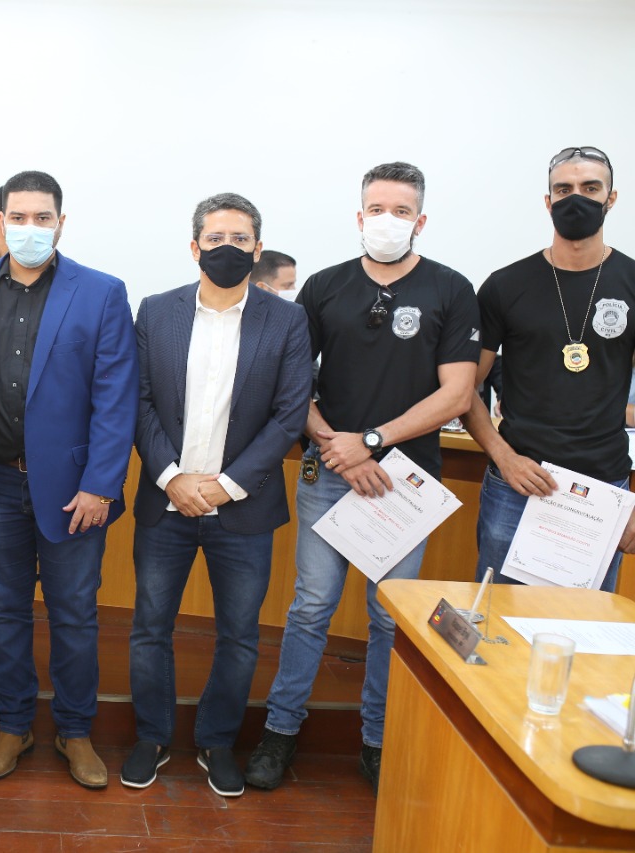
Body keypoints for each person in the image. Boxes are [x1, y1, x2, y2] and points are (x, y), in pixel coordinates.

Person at [244, 162, 480, 795]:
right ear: (359, 216)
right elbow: (293, 383)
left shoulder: (451, 289)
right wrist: (337, 445)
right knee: (311, 607)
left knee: (389, 618)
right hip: (330, 471)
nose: (387, 220)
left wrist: (371, 442)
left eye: (401, 211)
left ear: (421, 221)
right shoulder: (325, 286)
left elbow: (457, 394)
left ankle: (378, 741)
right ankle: (280, 732)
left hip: (406, 483)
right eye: (377, 209)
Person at [0, 170, 139, 789]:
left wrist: (101, 484)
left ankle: (76, 731)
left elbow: (117, 398)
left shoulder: (102, 292)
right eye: (19, 218)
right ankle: (13, 725)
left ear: (60, 223)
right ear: (0, 223)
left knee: (74, 615)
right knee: (3, 612)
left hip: (75, 489)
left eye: (43, 218)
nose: (31, 228)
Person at [125, 193, 310, 796]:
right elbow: (139, 401)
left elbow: (288, 415)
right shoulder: (157, 311)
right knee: (150, 627)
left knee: (239, 635)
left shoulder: (286, 320)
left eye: (239, 239)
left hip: (244, 508)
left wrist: (227, 487)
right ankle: (152, 736)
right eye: (215, 238)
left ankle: (216, 740)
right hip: (166, 501)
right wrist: (172, 477)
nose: (226, 248)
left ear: (257, 249)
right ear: (194, 246)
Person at [462, 146, 635, 592]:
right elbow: (464, 390)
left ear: (611, 198)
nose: (576, 198)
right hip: (516, 482)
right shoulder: (505, 285)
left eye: (590, 188)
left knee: (583, 624)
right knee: (496, 618)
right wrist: (505, 457)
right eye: (564, 189)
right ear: (548, 200)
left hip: (604, 489)